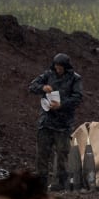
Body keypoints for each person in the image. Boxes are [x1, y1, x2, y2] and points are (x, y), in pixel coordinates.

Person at [28, 53, 84, 190]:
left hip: (63, 124)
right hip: (46, 122)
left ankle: (61, 185)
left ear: (66, 67)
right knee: (42, 155)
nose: (58, 70)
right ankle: (41, 185)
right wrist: (43, 88)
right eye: (56, 67)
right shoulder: (48, 75)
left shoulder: (75, 79)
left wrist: (62, 104)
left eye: (60, 67)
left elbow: (77, 98)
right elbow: (32, 86)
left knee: (62, 155)